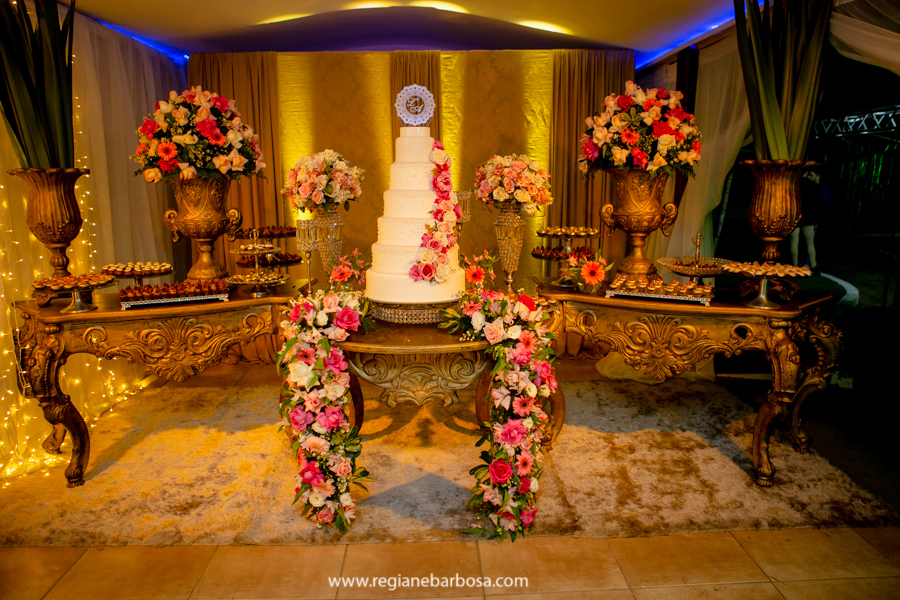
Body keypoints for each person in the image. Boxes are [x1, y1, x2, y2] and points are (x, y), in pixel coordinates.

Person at [791, 169, 828, 275]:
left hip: (796, 217)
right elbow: (819, 205)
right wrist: (817, 220)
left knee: (794, 242)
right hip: (809, 218)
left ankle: (794, 265)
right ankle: (813, 266)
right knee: (810, 243)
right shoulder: (814, 186)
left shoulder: (794, 185)